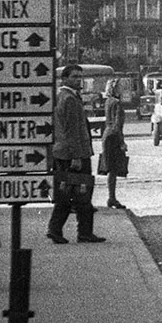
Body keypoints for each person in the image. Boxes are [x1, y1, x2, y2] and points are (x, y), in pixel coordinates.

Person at [47, 65, 106, 244]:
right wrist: (77, 157)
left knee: (66, 192)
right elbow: (72, 130)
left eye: (80, 77)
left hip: (62, 152)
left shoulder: (60, 96)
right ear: (64, 79)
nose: (78, 80)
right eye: (74, 77)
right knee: (81, 193)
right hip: (74, 153)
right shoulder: (70, 99)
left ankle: (59, 229)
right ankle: (81, 232)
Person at [99, 78, 128, 209]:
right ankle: (112, 197)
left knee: (111, 168)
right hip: (114, 137)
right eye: (120, 87)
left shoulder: (108, 101)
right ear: (115, 88)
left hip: (107, 135)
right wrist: (122, 142)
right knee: (114, 168)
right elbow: (117, 124)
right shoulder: (117, 103)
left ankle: (112, 196)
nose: (122, 89)